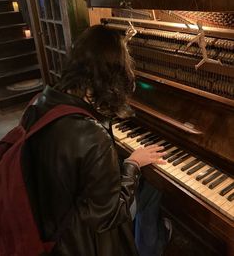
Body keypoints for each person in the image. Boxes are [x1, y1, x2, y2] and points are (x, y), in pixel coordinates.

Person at [21, 24, 167, 256]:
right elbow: (110, 214)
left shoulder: (38, 104)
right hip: (82, 242)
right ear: (111, 75)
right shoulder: (91, 136)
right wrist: (133, 165)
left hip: (46, 221)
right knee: (151, 189)